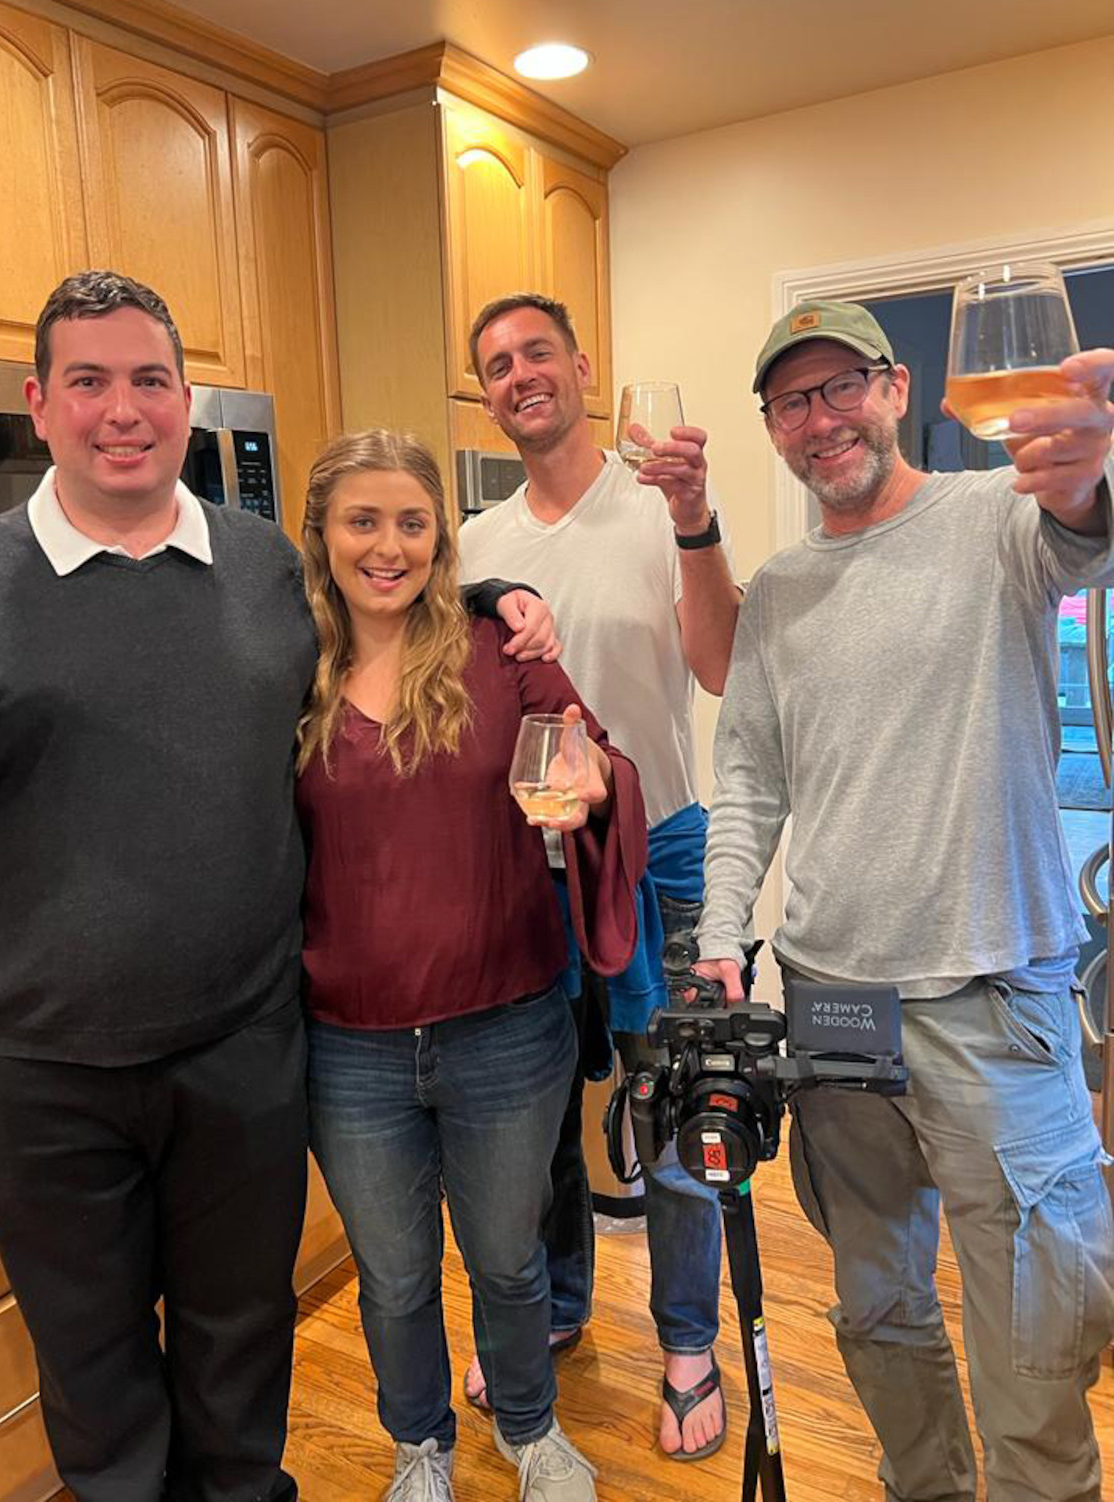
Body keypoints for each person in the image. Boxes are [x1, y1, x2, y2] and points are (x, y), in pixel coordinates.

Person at [0, 270, 561, 1502]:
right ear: (39, 403)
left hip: (243, 1050)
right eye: (89, 381)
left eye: (150, 379)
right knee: (97, 1379)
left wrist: (491, 596)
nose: (123, 409)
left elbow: (384, 602)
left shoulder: (262, 566)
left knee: (239, 1355)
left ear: (185, 398)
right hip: (45, 1069)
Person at [694, 298, 1114, 1502]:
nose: (820, 418)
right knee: (877, 1305)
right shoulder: (780, 590)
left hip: (994, 1001)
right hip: (833, 1006)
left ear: (896, 390)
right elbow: (749, 779)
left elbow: (1085, 534)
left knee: (1037, 1334)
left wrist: (1087, 480)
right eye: (792, 400)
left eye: (842, 386)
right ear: (772, 425)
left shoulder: (999, 517)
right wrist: (723, 931)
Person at [295, 429, 646, 1502]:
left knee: (507, 1257)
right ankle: (420, 1446)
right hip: (347, 1044)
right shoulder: (286, 664)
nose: (388, 546)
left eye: (413, 522)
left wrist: (592, 782)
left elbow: (596, 756)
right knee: (394, 1276)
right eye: (363, 521)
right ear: (321, 535)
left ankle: (531, 1428)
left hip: (506, 1023)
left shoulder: (502, 644)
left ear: (441, 536)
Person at [456, 292, 741, 1461]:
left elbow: (719, 663)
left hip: (658, 844)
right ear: (485, 394)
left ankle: (688, 1342)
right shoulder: (474, 541)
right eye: (496, 364)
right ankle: (559, 1305)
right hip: (526, 861)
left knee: (674, 1108)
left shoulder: (658, 507)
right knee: (536, 1116)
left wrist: (698, 520)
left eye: (538, 353)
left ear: (581, 367)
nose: (520, 374)